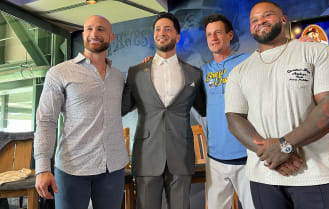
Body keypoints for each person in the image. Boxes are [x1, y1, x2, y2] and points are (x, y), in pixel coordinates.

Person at [225, 1, 329, 209]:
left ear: (283, 19)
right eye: (254, 20)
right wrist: (271, 152)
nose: (260, 22)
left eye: (267, 16)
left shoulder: (316, 52)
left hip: (317, 174)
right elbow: (234, 119)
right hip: (264, 175)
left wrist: (285, 145)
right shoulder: (239, 71)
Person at [34, 15, 128, 209]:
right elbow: (46, 121)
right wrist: (42, 167)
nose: (94, 34)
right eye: (89, 29)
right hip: (72, 168)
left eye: (101, 29)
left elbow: (128, 105)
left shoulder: (118, 76)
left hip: (113, 167)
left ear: (111, 37)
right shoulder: (59, 72)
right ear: (83, 34)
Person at [121, 12, 206, 209]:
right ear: (153, 35)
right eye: (158, 29)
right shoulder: (136, 72)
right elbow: (123, 107)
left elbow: (204, 109)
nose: (162, 33)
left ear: (177, 36)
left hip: (181, 155)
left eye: (168, 29)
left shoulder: (194, 73)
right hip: (146, 156)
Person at [201, 14, 254, 209]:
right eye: (209, 35)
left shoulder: (248, 61)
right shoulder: (203, 71)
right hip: (215, 158)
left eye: (218, 33)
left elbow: (274, 56)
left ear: (230, 35)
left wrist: (299, 43)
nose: (213, 38)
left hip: (247, 154)